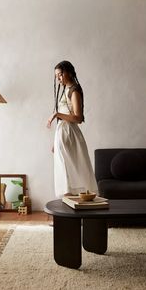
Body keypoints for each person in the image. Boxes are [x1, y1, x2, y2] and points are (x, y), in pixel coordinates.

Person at [47, 60, 98, 197]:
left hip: (69, 133)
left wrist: (57, 114)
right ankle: (68, 203)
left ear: (68, 73)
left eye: (60, 74)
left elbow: (78, 118)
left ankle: (74, 201)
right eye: (56, 76)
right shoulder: (66, 90)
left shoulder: (74, 90)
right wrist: (55, 142)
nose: (58, 78)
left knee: (69, 168)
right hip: (62, 132)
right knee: (64, 168)